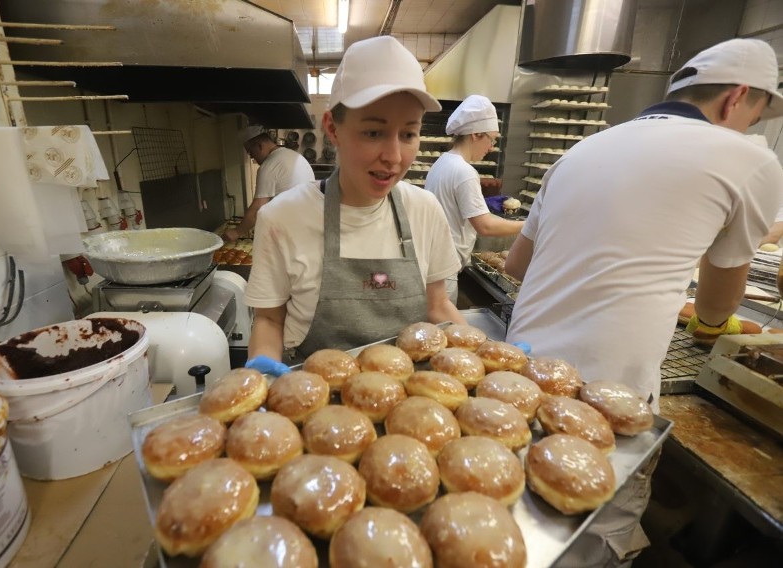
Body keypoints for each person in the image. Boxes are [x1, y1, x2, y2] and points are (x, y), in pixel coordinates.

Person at [504, 38, 783, 567]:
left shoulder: (580, 150)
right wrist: (708, 321)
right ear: (737, 98)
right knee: (590, 538)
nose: (752, 126)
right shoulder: (750, 160)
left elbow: (516, 265)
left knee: (525, 529)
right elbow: (719, 305)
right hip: (611, 401)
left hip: (520, 379)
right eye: (756, 114)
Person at [243, 36, 465, 371]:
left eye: (408, 135)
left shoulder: (425, 210)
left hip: (415, 406)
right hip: (316, 402)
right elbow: (270, 322)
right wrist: (262, 379)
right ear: (332, 128)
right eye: (373, 133)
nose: (393, 157)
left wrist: (485, 359)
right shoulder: (281, 218)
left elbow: (438, 306)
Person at [425, 94, 524, 303]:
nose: (491, 147)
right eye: (491, 139)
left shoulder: (442, 163)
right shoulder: (464, 171)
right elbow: (485, 226)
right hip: (445, 271)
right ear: (476, 134)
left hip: (433, 264)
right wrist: (530, 225)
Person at [222, 125, 315, 242]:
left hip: (292, 234)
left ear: (259, 146)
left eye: (251, 152)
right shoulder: (295, 156)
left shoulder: (269, 165)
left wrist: (236, 232)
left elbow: (256, 211)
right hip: (308, 228)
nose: (252, 157)